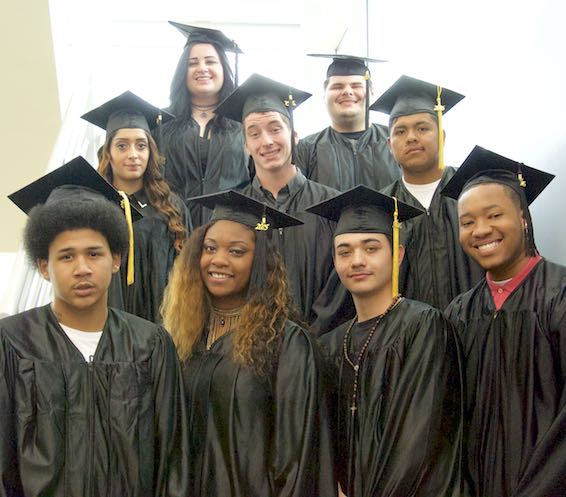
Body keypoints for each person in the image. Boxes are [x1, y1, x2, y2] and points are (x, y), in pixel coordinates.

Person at [1, 157, 188, 496]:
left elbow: (172, 459)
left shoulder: (151, 344)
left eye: (94, 254)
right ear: (44, 266)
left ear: (116, 259)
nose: (82, 268)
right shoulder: (12, 342)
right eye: (66, 256)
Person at [161, 190, 336, 497]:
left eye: (237, 251)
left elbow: (299, 462)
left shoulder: (287, 344)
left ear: (260, 262)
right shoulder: (182, 340)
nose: (218, 260)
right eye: (209, 248)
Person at [306, 185, 463, 497]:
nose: (357, 260)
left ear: (398, 254)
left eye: (371, 248)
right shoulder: (330, 345)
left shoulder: (424, 327)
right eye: (344, 251)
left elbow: (419, 444)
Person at [442, 145, 564, 497]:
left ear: (524, 218)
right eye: (467, 222)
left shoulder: (560, 296)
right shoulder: (459, 313)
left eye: (494, 215)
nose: (480, 230)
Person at [215, 73, 354, 333]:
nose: (266, 141)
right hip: (247, 350)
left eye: (275, 129)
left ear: (295, 135)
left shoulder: (332, 206)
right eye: (254, 133)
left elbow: (341, 283)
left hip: (321, 348)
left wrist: (307, 341)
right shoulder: (233, 211)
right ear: (245, 145)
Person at [372, 75, 484, 309]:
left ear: (442, 137)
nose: (411, 137)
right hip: (411, 339)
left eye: (422, 128)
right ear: (389, 146)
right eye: (400, 131)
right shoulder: (381, 208)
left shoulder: (474, 191)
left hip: (479, 331)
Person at [81, 90, 189, 323]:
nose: (133, 154)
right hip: (106, 327)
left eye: (141, 146)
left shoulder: (171, 207)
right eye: (122, 146)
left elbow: (185, 273)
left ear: (150, 151)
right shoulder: (94, 207)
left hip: (162, 326)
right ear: (108, 152)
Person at [158, 22, 250, 227]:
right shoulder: (161, 125)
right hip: (174, 233)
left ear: (223, 69)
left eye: (210, 61)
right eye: (192, 63)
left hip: (230, 233)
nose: (202, 69)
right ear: (183, 72)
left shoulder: (243, 125)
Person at [296, 54, 400, 191]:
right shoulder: (305, 149)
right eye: (337, 87)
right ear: (324, 95)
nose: (347, 91)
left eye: (356, 85)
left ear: (372, 92)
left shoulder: (396, 141)